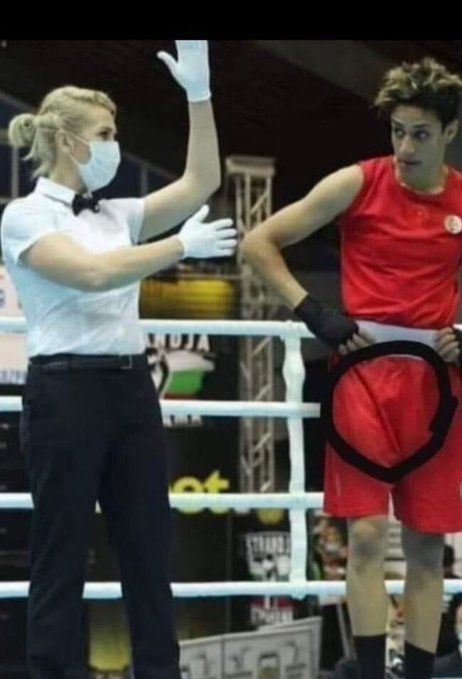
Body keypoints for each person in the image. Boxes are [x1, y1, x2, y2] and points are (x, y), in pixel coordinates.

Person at [242, 56, 462, 679]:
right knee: (368, 536)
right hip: (362, 378)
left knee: (427, 545)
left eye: (420, 134)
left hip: (434, 385)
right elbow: (258, 242)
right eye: (398, 131)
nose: (405, 147)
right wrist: (313, 311)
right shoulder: (357, 182)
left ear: (450, 132)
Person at [0, 40, 236, 679]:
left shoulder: (118, 215)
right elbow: (92, 275)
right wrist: (178, 247)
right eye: (104, 134)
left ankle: (159, 673)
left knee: (149, 550)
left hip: (131, 390)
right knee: (62, 550)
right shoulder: (23, 216)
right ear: (67, 140)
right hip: (64, 393)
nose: (114, 145)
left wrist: (199, 95)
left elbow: (202, 182)